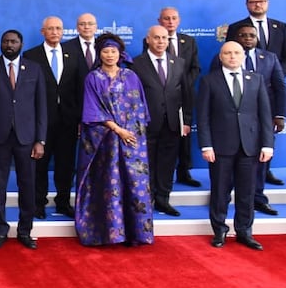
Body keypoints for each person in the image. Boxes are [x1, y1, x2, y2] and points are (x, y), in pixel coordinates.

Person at [74, 33, 153, 247]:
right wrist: (118, 130)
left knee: (133, 183)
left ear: (120, 54)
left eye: (113, 51)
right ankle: (111, 234)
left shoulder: (130, 76)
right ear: (99, 54)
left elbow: (139, 109)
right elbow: (93, 111)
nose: (110, 55)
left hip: (131, 142)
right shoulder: (93, 78)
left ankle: (136, 233)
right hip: (105, 142)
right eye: (105, 51)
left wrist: (130, 134)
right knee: (110, 183)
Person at [197, 41, 273, 250]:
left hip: (250, 147)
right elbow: (202, 117)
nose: (232, 56)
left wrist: (267, 144)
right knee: (220, 191)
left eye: (236, 53)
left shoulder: (256, 80)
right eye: (227, 53)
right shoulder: (209, 81)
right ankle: (219, 230)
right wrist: (206, 145)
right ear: (220, 57)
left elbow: (265, 115)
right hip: (220, 147)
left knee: (247, 192)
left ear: (243, 56)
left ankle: (244, 231)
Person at [0, 30, 47, 249]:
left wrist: (40, 140)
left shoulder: (34, 69)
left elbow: (41, 107)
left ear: (21, 43)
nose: (9, 44)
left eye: (14, 41)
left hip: (27, 138)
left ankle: (25, 230)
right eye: (6, 41)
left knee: (27, 185)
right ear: (1, 44)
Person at [210, 24, 286, 215]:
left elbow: (280, 87)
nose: (247, 38)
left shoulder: (269, 58)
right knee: (225, 177)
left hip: (260, 121)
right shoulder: (222, 59)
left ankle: (258, 199)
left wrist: (279, 115)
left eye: (251, 35)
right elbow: (214, 92)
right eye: (242, 35)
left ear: (257, 38)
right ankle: (222, 211)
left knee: (257, 168)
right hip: (228, 129)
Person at [23, 16, 80, 218]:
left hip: (68, 120)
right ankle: (39, 202)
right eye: (50, 29)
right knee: (40, 164)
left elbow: (80, 88)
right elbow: (26, 92)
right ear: (42, 32)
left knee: (66, 164)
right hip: (41, 121)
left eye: (58, 28)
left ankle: (63, 202)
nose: (55, 32)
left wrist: (80, 118)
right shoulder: (30, 56)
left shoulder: (73, 54)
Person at [133, 25, 192, 217]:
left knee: (167, 163)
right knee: (146, 163)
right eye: (156, 38)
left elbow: (185, 93)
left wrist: (187, 120)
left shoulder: (179, 62)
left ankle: (163, 199)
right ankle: (146, 199)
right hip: (146, 124)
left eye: (164, 38)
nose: (160, 42)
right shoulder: (136, 64)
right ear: (148, 39)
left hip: (173, 123)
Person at [156, 7, 202, 188]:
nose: (170, 22)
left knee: (185, 133)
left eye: (173, 18)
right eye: (166, 18)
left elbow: (195, 68)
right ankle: (161, 174)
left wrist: (182, 83)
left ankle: (184, 171)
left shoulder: (189, 41)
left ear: (179, 20)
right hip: (163, 96)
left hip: (185, 94)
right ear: (160, 21)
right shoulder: (152, 40)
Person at [227, 0, 286, 76]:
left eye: (261, 1)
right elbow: (230, 54)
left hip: (274, 83)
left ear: (267, 3)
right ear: (247, 5)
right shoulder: (235, 28)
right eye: (253, 2)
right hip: (246, 81)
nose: (258, 5)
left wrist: (278, 74)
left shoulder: (281, 27)